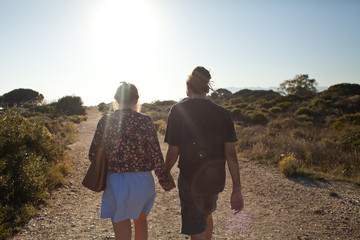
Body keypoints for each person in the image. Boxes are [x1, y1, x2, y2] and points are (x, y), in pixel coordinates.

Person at [164, 66, 244, 240]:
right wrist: (236, 188)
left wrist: (164, 172)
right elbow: (231, 154)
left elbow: (173, 151)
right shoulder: (224, 114)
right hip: (215, 179)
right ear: (208, 89)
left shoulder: (178, 111)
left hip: (191, 179)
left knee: (196, 224)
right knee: (206, 214)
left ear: (188, 89)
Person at [89, 82, 175, 240]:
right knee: (141, 222)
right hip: (142, 181)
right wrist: (164, 179)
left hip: (115, 181)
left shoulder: (105, 121)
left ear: (116, 99)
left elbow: (93, 154)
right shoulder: (145, 121)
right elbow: (155, 154)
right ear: (136, 100)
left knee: (121, 225)